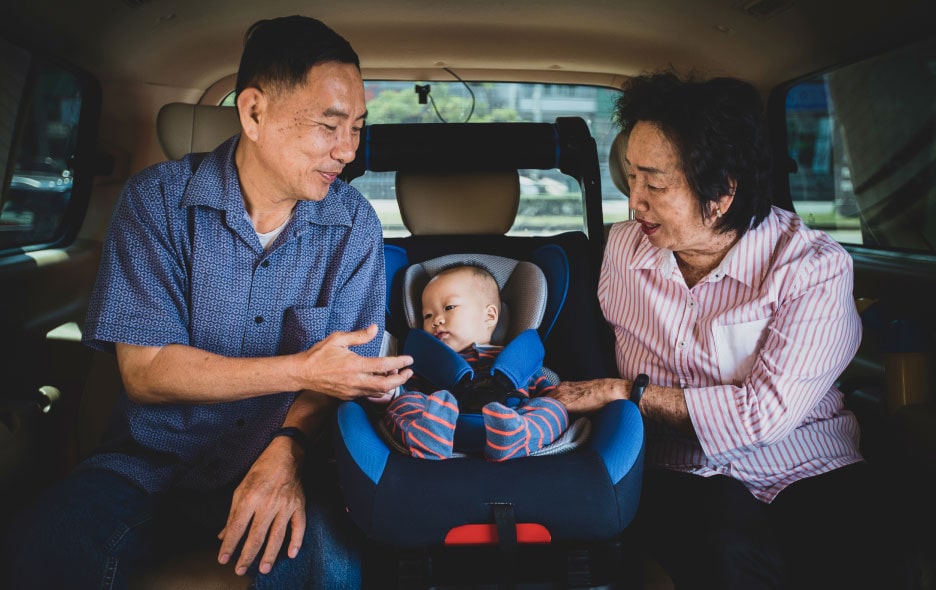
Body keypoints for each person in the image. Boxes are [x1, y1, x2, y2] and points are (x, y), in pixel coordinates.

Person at [2, 16, 413, 590]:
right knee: (41, 549)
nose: (348, 150)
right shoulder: (157, 203)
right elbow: (145, 372)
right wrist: (298, 368)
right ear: (253, 112)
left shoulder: (354, 227)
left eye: (358, 128)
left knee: (328, 571)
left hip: (290, 457)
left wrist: (287, 453)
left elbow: (340, 383)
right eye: (329, 126)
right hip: (149, 464)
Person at [549, 71, 892, 589]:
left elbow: (764, 417)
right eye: (629, 177)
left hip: (809, 462)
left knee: (859, 557)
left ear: (722, 192)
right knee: (725, 554)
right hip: (679, 470)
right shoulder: (623, 250)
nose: (634, 201)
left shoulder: (814, 268)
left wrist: (627, 393)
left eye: (655, 183)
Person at [384, 264, 569, 461]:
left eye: (449, 308)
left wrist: (548, 401)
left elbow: (547, 393)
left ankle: (516, 437)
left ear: (489, 315)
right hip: (444, 423)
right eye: (427, 315)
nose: (436, 320)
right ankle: (428, 437)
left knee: (554, 408)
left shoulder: (519, 360)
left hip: (510, 418)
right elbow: (409, 392)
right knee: (402, 403)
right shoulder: (425, 364)